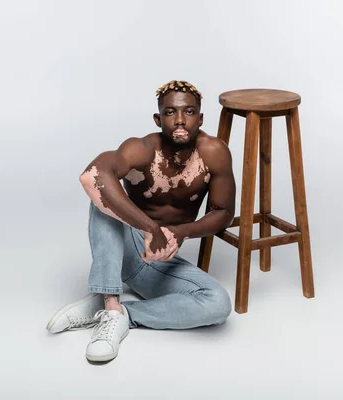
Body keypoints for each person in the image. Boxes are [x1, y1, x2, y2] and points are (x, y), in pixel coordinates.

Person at [46, 80, 236, 362]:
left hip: (157, 262)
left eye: (189, 112)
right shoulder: (143, 148)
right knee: (102, 199)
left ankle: (119, 314)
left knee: (218, 304)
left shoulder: (213, 152)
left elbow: (223, 212)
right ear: (159, 119)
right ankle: (110, 304)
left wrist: (182, 232)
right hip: (125, 244)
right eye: (171, 113)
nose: (181, 120)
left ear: (201, 118)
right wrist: (150, 228)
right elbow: (92, 176)